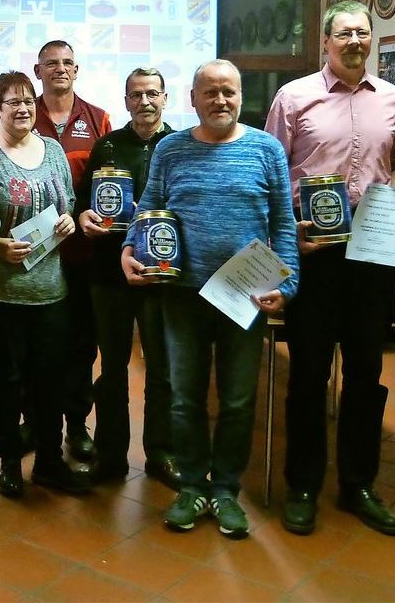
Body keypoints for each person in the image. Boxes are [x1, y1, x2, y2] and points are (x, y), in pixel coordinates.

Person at [122, 59, 298, 539]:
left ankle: (224, 490)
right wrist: (126, 250)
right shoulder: (171, 149)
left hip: (245, 295)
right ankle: (191, 487)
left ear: (241, 96)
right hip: (182, 295)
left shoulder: (267, 150)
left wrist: (287, 285)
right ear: (193, 98)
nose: (221, 100)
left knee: (239, 401)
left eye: (230, 92)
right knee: (184, 399)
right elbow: (147, 208)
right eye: (211, 92)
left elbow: (283, 224)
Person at [265, 0, 395, 537]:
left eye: (363, 33)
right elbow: (274, 177)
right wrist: (287, 236)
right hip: (314, 256)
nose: (354, 41)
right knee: (309, 375)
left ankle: (358, 484)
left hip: (372, 257)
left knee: (366, 376)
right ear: (326, 40)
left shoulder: (394, 99)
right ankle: (302, 485)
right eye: (344, 32)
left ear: (371, 41)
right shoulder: (294, 97)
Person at [0, 70, 89, 498]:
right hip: (1, 293)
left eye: (28, 100)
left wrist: (67, 220)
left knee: (50, 380)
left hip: (52, 292)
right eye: (12, 102)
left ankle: (48, 461)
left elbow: (70, 202)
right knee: (6, 380)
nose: (23, 108)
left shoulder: (55, 149)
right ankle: (9, 460)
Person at [77, 68, 180, 487]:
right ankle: (111, 456)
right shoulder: (107, 146)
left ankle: (160, 453)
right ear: (125, 101)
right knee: (112, 368)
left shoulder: (182, 146)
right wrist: (84, 216)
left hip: (161, 274)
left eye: (152, 94)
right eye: (136, 95)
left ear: (166, 98)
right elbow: (84, 202)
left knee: (162, 369)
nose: (145, 102)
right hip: (108, 275)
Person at [33, 40, 111, 461]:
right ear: (38, 70)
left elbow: (107, 184)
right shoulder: (26, 114)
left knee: (81, 345)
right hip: (36, 257)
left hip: (82, 256)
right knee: (38, 344)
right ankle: (35, 419)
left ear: (76, 70)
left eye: (67, 63)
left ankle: (77, 426)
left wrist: (86, 214)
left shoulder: (98, 119)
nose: (59, 69)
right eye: (51, 64)